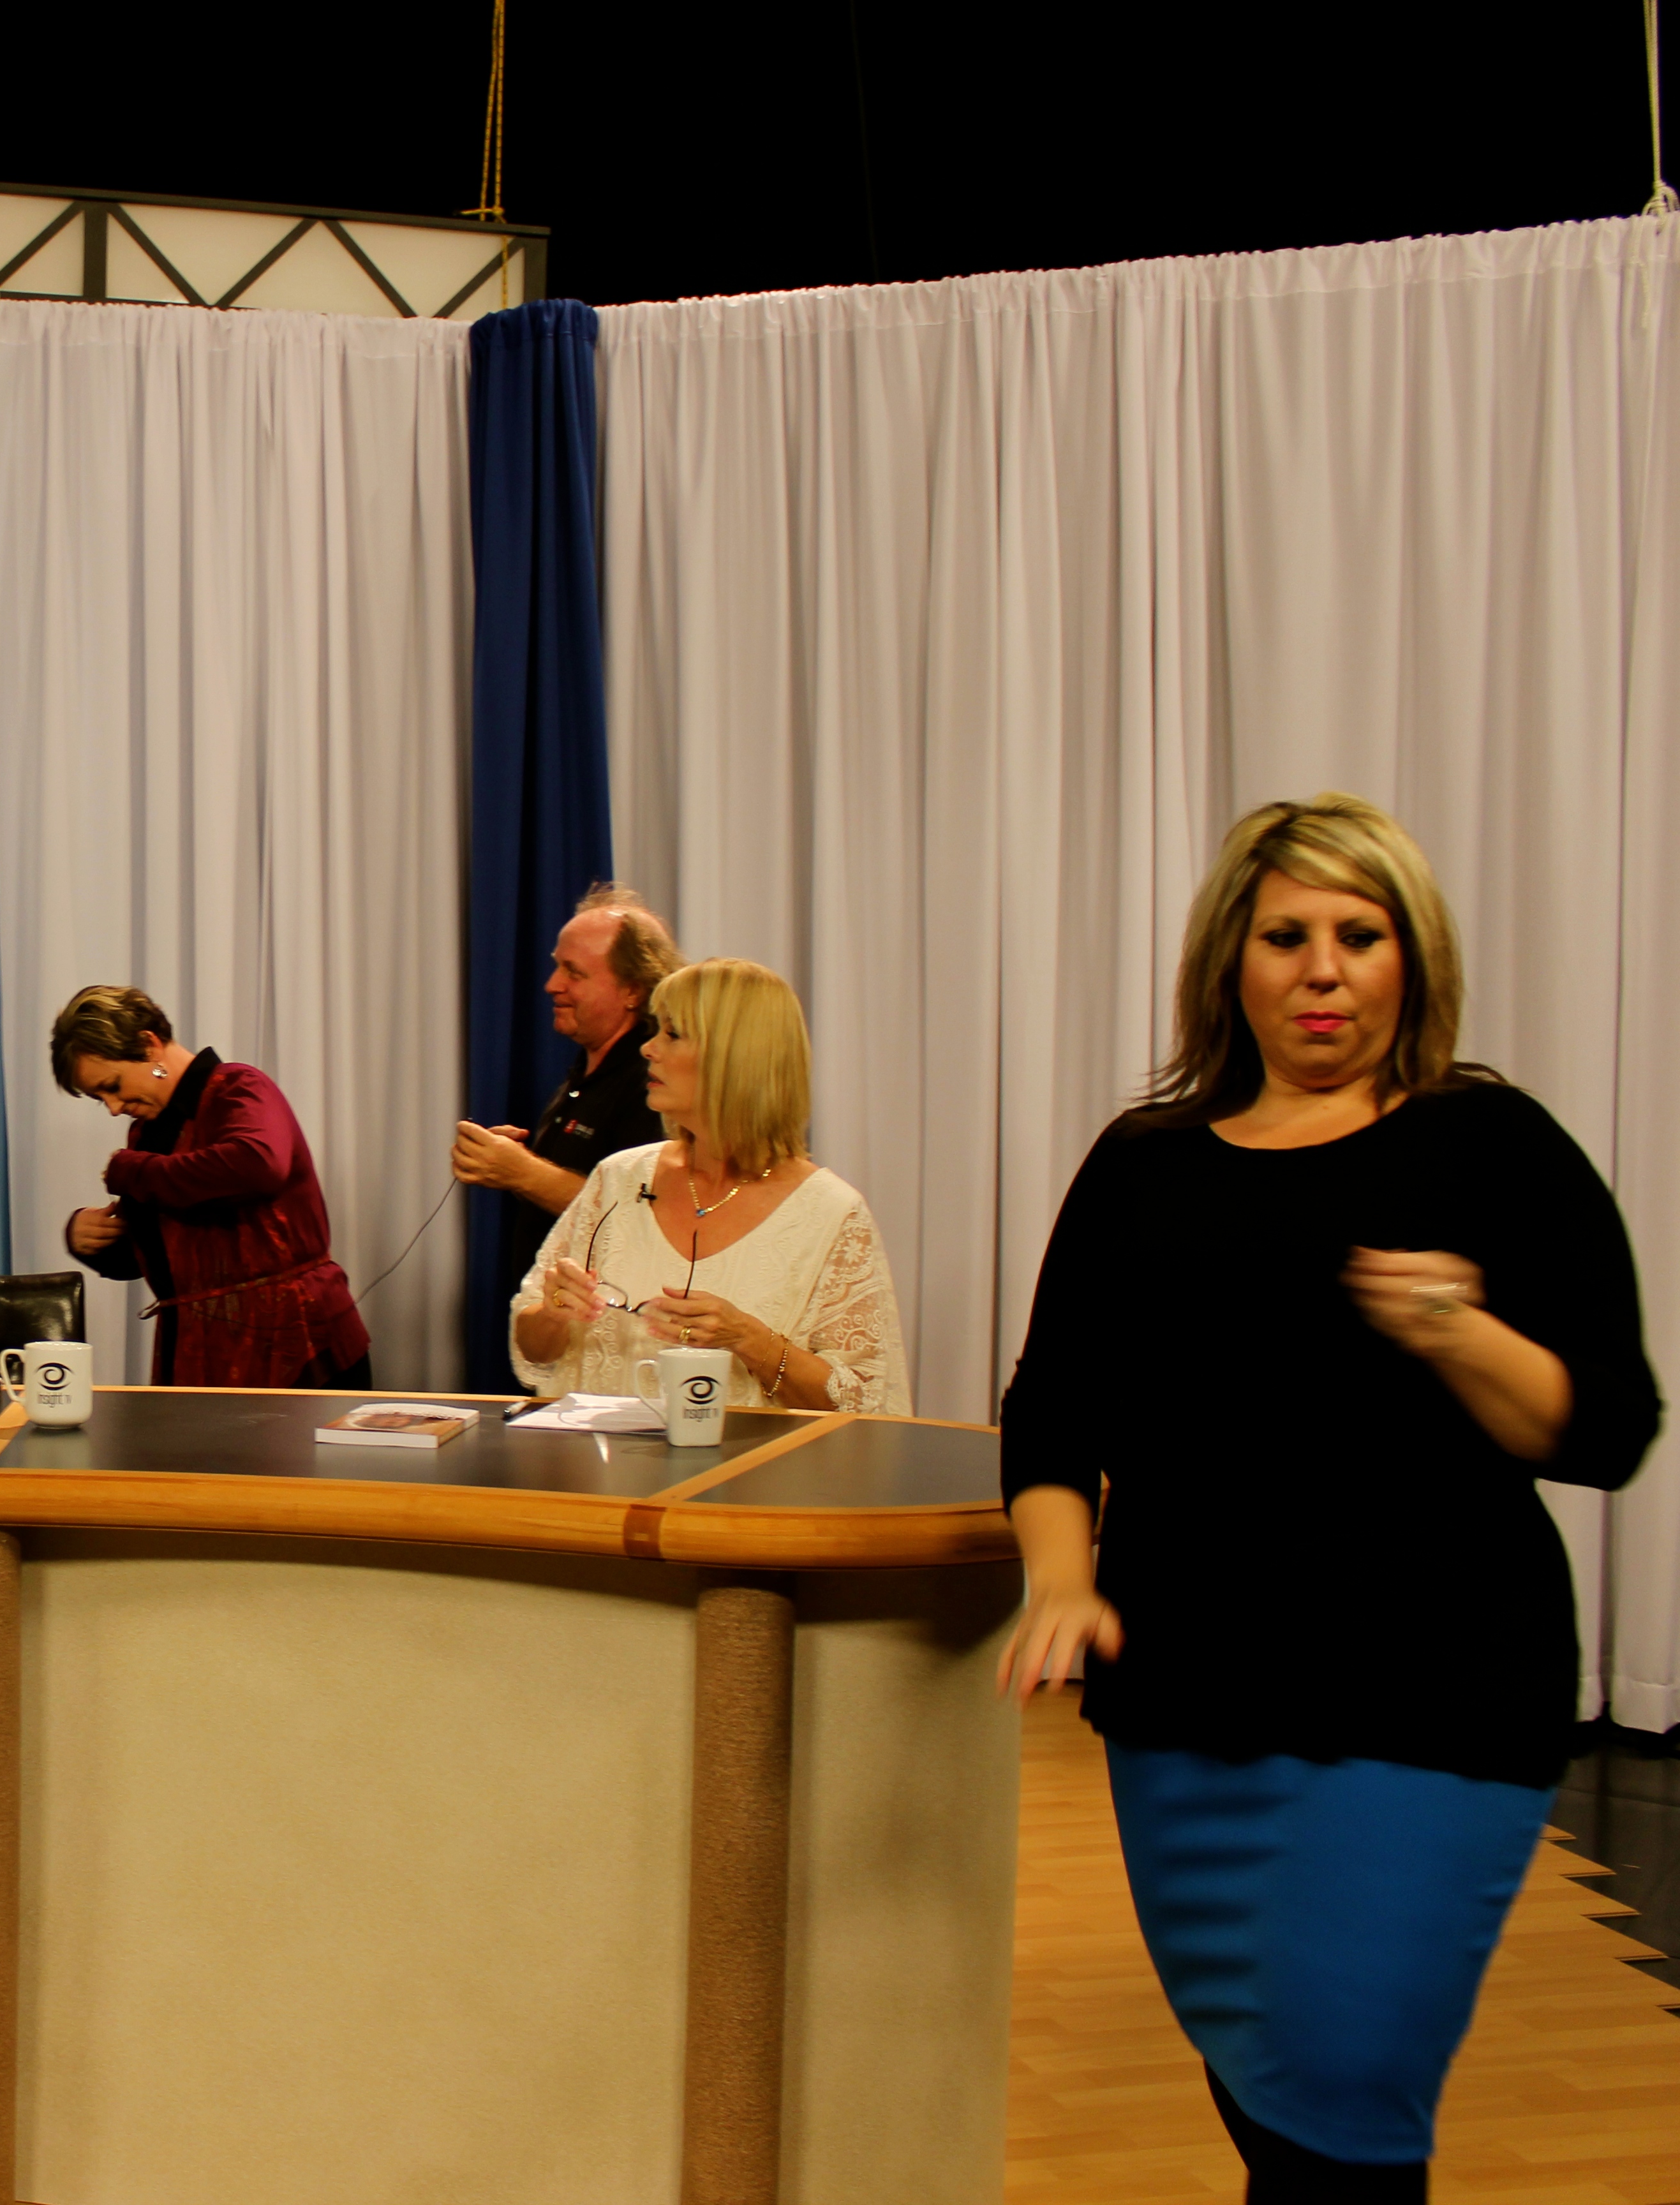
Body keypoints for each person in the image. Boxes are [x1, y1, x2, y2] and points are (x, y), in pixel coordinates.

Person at [998, 793, 1658, 2202]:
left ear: (1409, 957)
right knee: (1267, 2092)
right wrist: (1061, 1575)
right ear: (1228, 960)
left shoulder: (1492, 1145)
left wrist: (1459, 1333)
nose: (1323, 967)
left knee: (1346, 2095)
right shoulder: (1144, 1166)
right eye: (1286, 933)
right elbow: (1053, 1410)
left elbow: (1610, 1429)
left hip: (1434, 1700)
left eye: (1360, 935)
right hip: (1186, 1708)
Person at [508, 957, 907, 1412]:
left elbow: (865, 1405)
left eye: (672, 1035)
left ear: (736, 1059)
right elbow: (532, 1348)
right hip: (600, 1477)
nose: (647, 1049)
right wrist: (555, 1315)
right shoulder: (617, 1179)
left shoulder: (831, 1214)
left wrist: (749, 1339)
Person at [54, 985, 371, 1389]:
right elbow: (159, 1255)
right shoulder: (147, 1135)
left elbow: (259, 1165)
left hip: (295, 1346)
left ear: (148, 1045)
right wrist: (88, 1237)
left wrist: (130, 1171)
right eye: (100, 1098)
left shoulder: (239, 1088)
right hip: (205, 1350)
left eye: (113, 1086)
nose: (113, 1108)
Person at [453, 884, 683, 1297]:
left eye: (574, 973)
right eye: (558, 967)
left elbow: (642, 1215)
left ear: (632, 990)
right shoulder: (585, 1072)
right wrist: (514, 1163)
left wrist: (521, 1171)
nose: (552, 985)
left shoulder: (654, 1084)